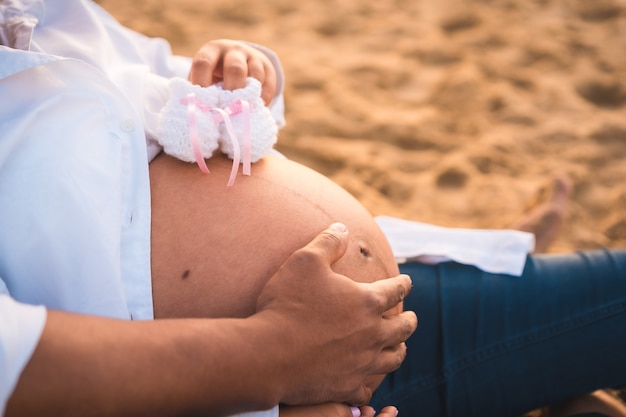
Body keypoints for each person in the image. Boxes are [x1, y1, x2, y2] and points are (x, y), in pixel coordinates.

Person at [1, 1, 625, 417]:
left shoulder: (43, 10)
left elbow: (172, 85)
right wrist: (275, 356)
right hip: (268, 381)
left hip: (364, 322)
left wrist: (245, 72)